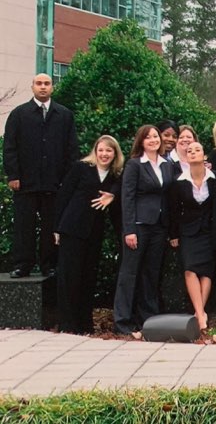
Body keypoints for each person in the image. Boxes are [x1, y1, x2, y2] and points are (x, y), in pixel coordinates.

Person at [4, 73, 79, 278]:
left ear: (52, 88)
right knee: (23, 225)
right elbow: (9, 146)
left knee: (51, 226)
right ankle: (23, 264)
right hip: (25, 183)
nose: (43, 87)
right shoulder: (19, 114)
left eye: (47, 84)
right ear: (32, 87)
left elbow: (72, 150)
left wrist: (68, 180)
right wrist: (13, 175)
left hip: (54, 184)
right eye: (39, 84)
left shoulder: (64, 115)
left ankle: (49, 265)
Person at [53, 135, 123, 333]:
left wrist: (114, 195)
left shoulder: (114, 175)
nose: (104, 154)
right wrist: (56, 228)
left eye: (109, 151)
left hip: (94, 232)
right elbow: (64, 195)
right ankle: (68, 324)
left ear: (115, 153)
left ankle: (84, 323)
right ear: (95, 151)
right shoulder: (81, 168)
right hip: (72, 228)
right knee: (69, 277)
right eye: (101, 150)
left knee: (88, 277)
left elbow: (121, 188)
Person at [114, 125, 176, 336]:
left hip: (159, 226)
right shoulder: (134, 165)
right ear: (141, 141)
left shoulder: (166, 165)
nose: (153, 140)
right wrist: (129, 229)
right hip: (139, 226)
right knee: (129, 274)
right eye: (148, 137)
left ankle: (148, 320)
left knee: (151, 274)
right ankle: (122, 321)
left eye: (155, 137)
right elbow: (127, 197)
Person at [169, 142, 216, 331]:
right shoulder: (178, 182)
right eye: (189, 151)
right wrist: (173, 234)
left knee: (206, 271)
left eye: (197, 150)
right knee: (190, 269)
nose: (192, 153)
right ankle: (200, 314)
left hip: (209, 231)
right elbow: (173, 210)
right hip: (188, 232)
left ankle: (200, 312)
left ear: (204, 155)